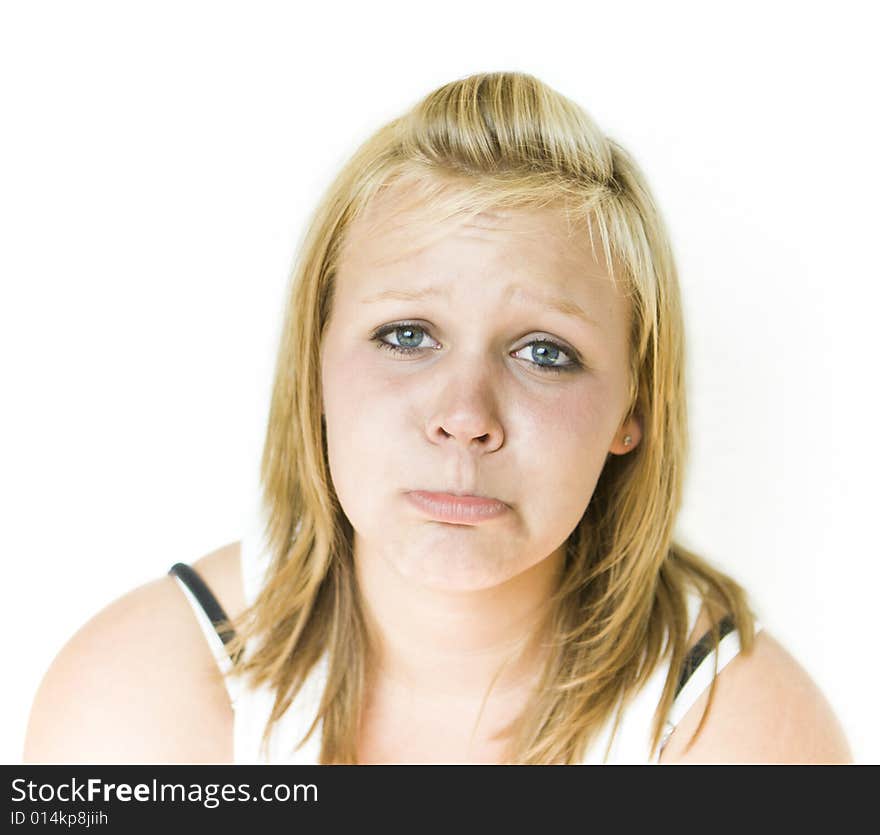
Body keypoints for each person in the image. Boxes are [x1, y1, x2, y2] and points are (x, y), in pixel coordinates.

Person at [23, 71, 851, 765]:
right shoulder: (132, 700)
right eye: (407, 335)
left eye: (543, 352)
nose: (465, 418)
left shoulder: (739, 734)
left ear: (630, 409)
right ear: (314, 370)